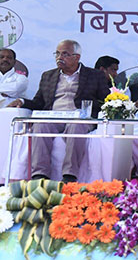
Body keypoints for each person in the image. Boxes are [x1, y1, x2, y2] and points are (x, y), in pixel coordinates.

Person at [8, 40, 109, 182]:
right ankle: (40, 175)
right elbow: (39, 102)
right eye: (57, 54)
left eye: (65, 54)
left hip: (79, 118)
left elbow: (105, 100)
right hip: (54, 116)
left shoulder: (94, 75)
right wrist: (22, 102)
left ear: (77, 57)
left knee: (75, 126)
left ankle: (69, 176)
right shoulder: (48, 75)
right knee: (40, 125)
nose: (59, 58)